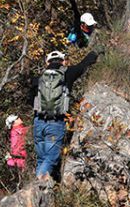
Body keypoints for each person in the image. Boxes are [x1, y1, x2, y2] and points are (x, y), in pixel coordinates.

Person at [30, 49, 98, 182]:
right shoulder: (68, 73)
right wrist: (95, 53)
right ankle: (36, 189)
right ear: (63, 61)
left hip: (38, 122)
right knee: (51, 158)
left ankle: (41, 191)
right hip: (55, 123)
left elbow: (30, 100)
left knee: (42, 158)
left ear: (47, 62)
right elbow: (84, 64)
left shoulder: (38, 79)